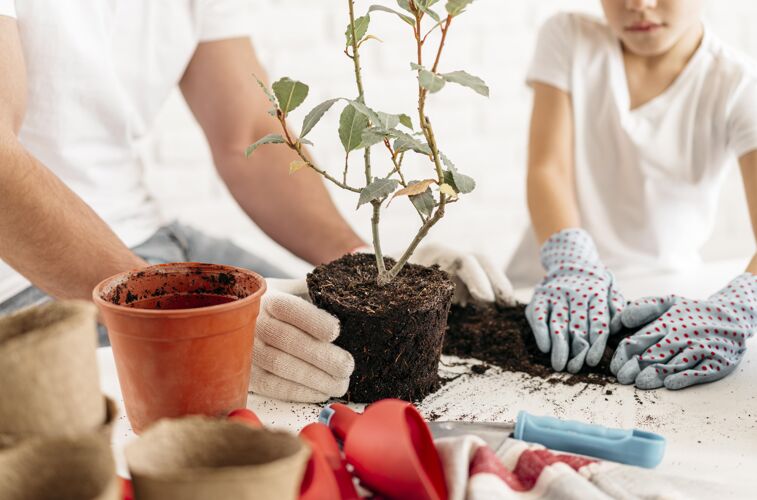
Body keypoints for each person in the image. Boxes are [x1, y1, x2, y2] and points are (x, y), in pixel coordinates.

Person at [0, 1, 511, 403]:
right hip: (28, 279)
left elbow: (247, 133)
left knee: (346, 347)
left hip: (153, 238)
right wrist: (185, 313)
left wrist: (362, 263)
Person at [509, 0, 757, 390]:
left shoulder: (738, 82)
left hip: (660, 304)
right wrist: (571, 261)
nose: (637, 5)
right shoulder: (568, 36)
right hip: (550, 291)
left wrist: (742, 304)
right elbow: (547, 169)